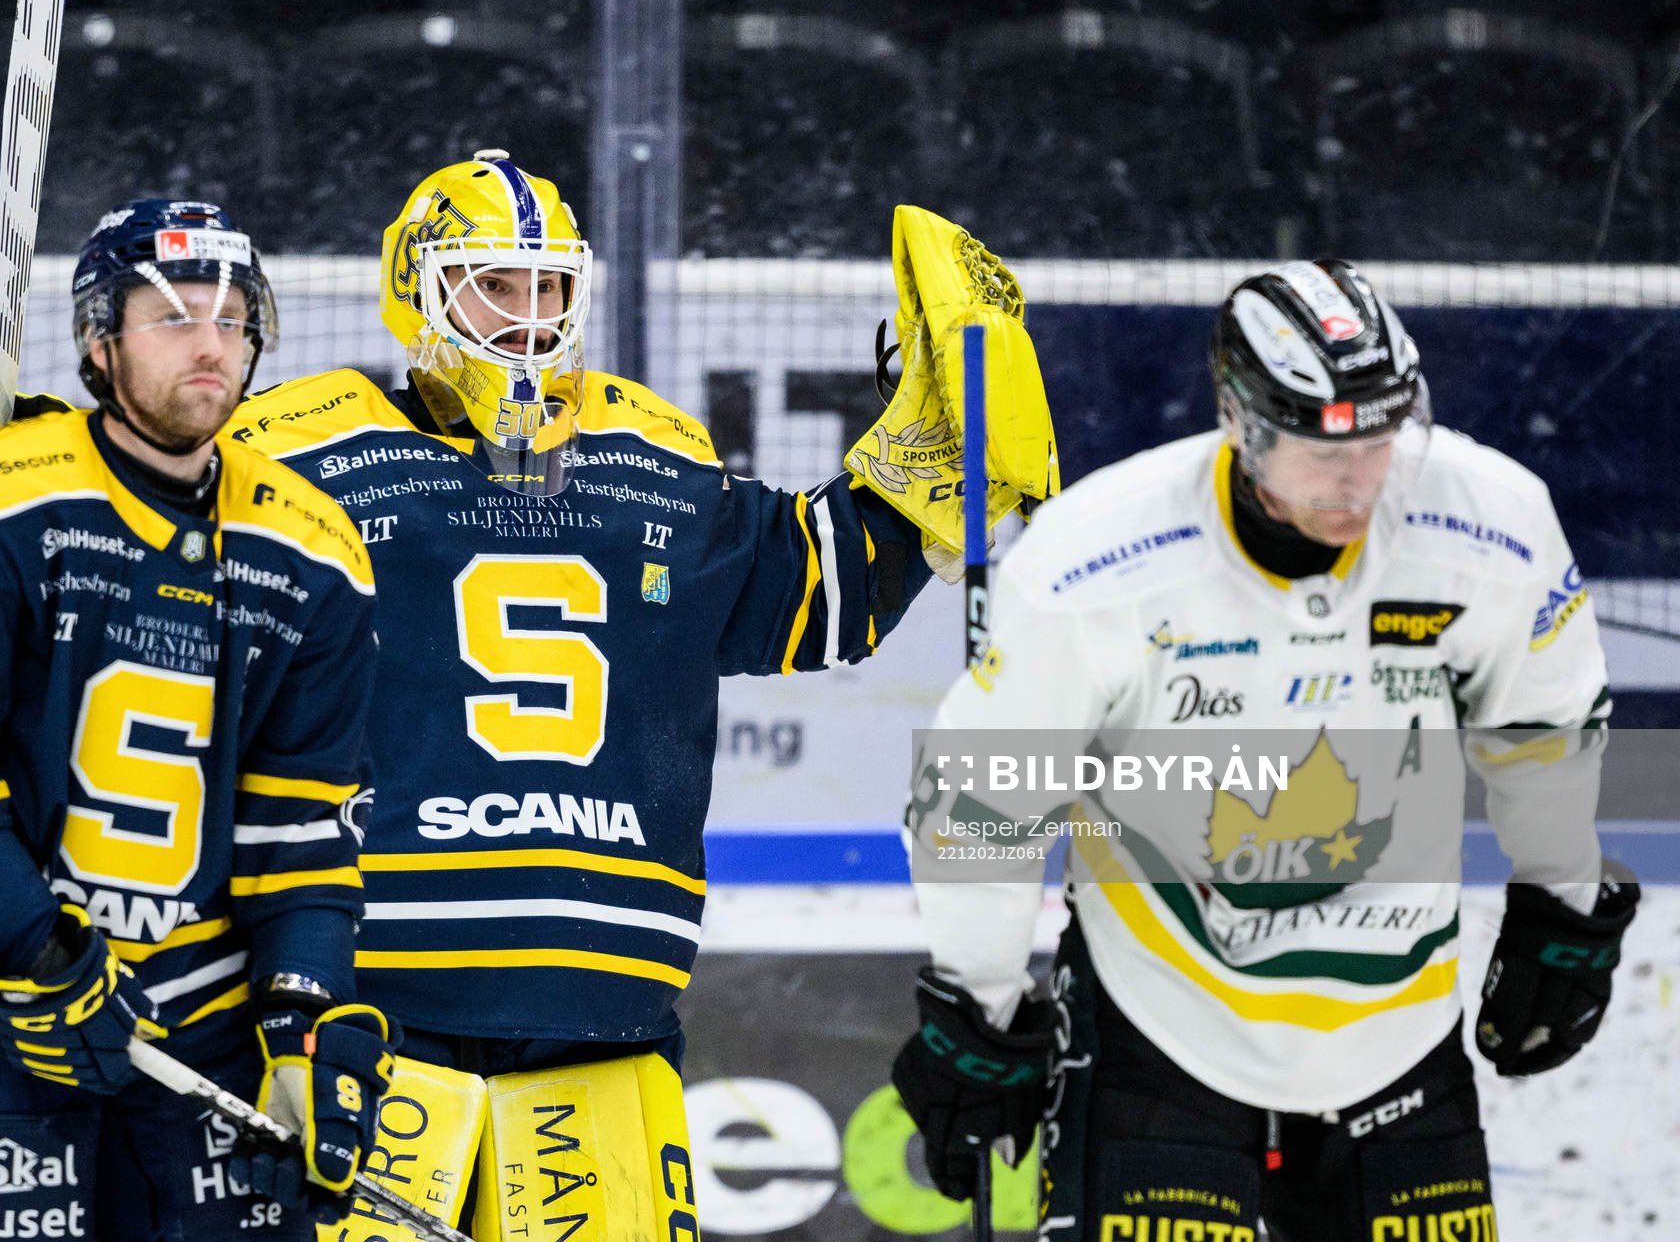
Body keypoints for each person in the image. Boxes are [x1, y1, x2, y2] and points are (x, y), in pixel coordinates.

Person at [222, 150, 1058, 1237]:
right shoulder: (297, 450)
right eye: (495, 284)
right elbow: (148, 546)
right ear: (418, 288)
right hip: (370, 1007)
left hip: (605, 1020)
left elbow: (819, 590)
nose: (529, 318)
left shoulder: (652, 454)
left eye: (550, 286)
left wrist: (943, 467)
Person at [889, 260, 1639, 1240]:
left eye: (1382, 443)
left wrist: (1560, 894)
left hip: (1400, 1036)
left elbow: (1547, 719)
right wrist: (978, 1004)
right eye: (1320, 452)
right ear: (1241, 425)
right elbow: (984, 797)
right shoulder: (1099, 560)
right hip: (1163, 1036)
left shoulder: (1486, 523)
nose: (1356, 481)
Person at [0, 199, 397, 1241]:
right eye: (173, 317)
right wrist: (36, 959)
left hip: (204, 1032)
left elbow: (302, 824)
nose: (211, 344)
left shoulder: (315, 548)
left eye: (233, 318)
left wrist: (300, 1024)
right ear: (99, 341)